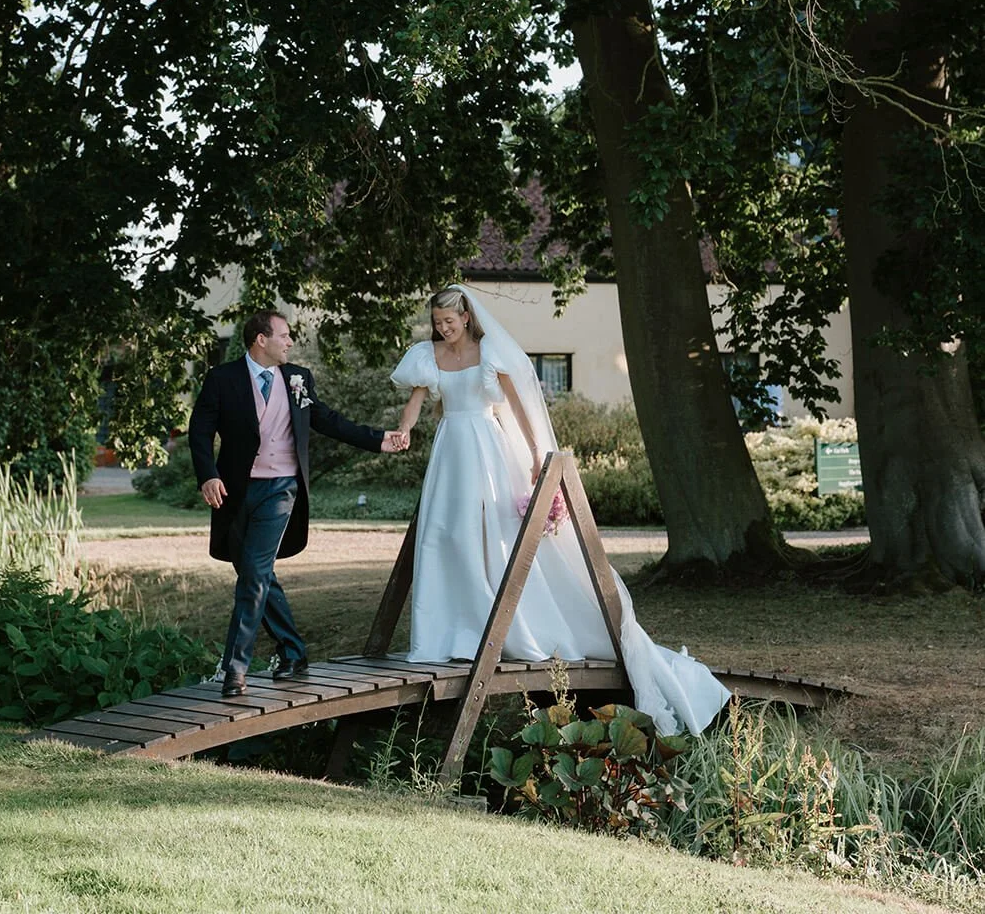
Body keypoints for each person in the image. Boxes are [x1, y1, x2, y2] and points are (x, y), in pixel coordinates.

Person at [390, 285, 729, 734]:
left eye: (449, 322)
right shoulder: (427, 355)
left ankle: (493, 629)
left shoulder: (489, 351)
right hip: (450, 448)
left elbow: (517, 404)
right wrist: (404, 430)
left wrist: (536, 454)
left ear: (467, 318)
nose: (443, 329)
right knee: (444, 535)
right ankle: (446, 632)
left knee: (488, 534)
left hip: (487, 451)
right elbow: (416, 401)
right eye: (437, 322)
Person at [190, 310, 408, 697]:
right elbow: (201, 431)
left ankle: (234, 669)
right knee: (256, 574)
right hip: (235, 491)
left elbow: (326, 419)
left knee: (254, 573)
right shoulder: (222, 379)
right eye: (285, 336)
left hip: (281, 490)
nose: (290, 343)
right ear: (261, 339)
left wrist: (377, 439)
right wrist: (208, 474)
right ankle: (293, 651)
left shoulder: (298, 378)